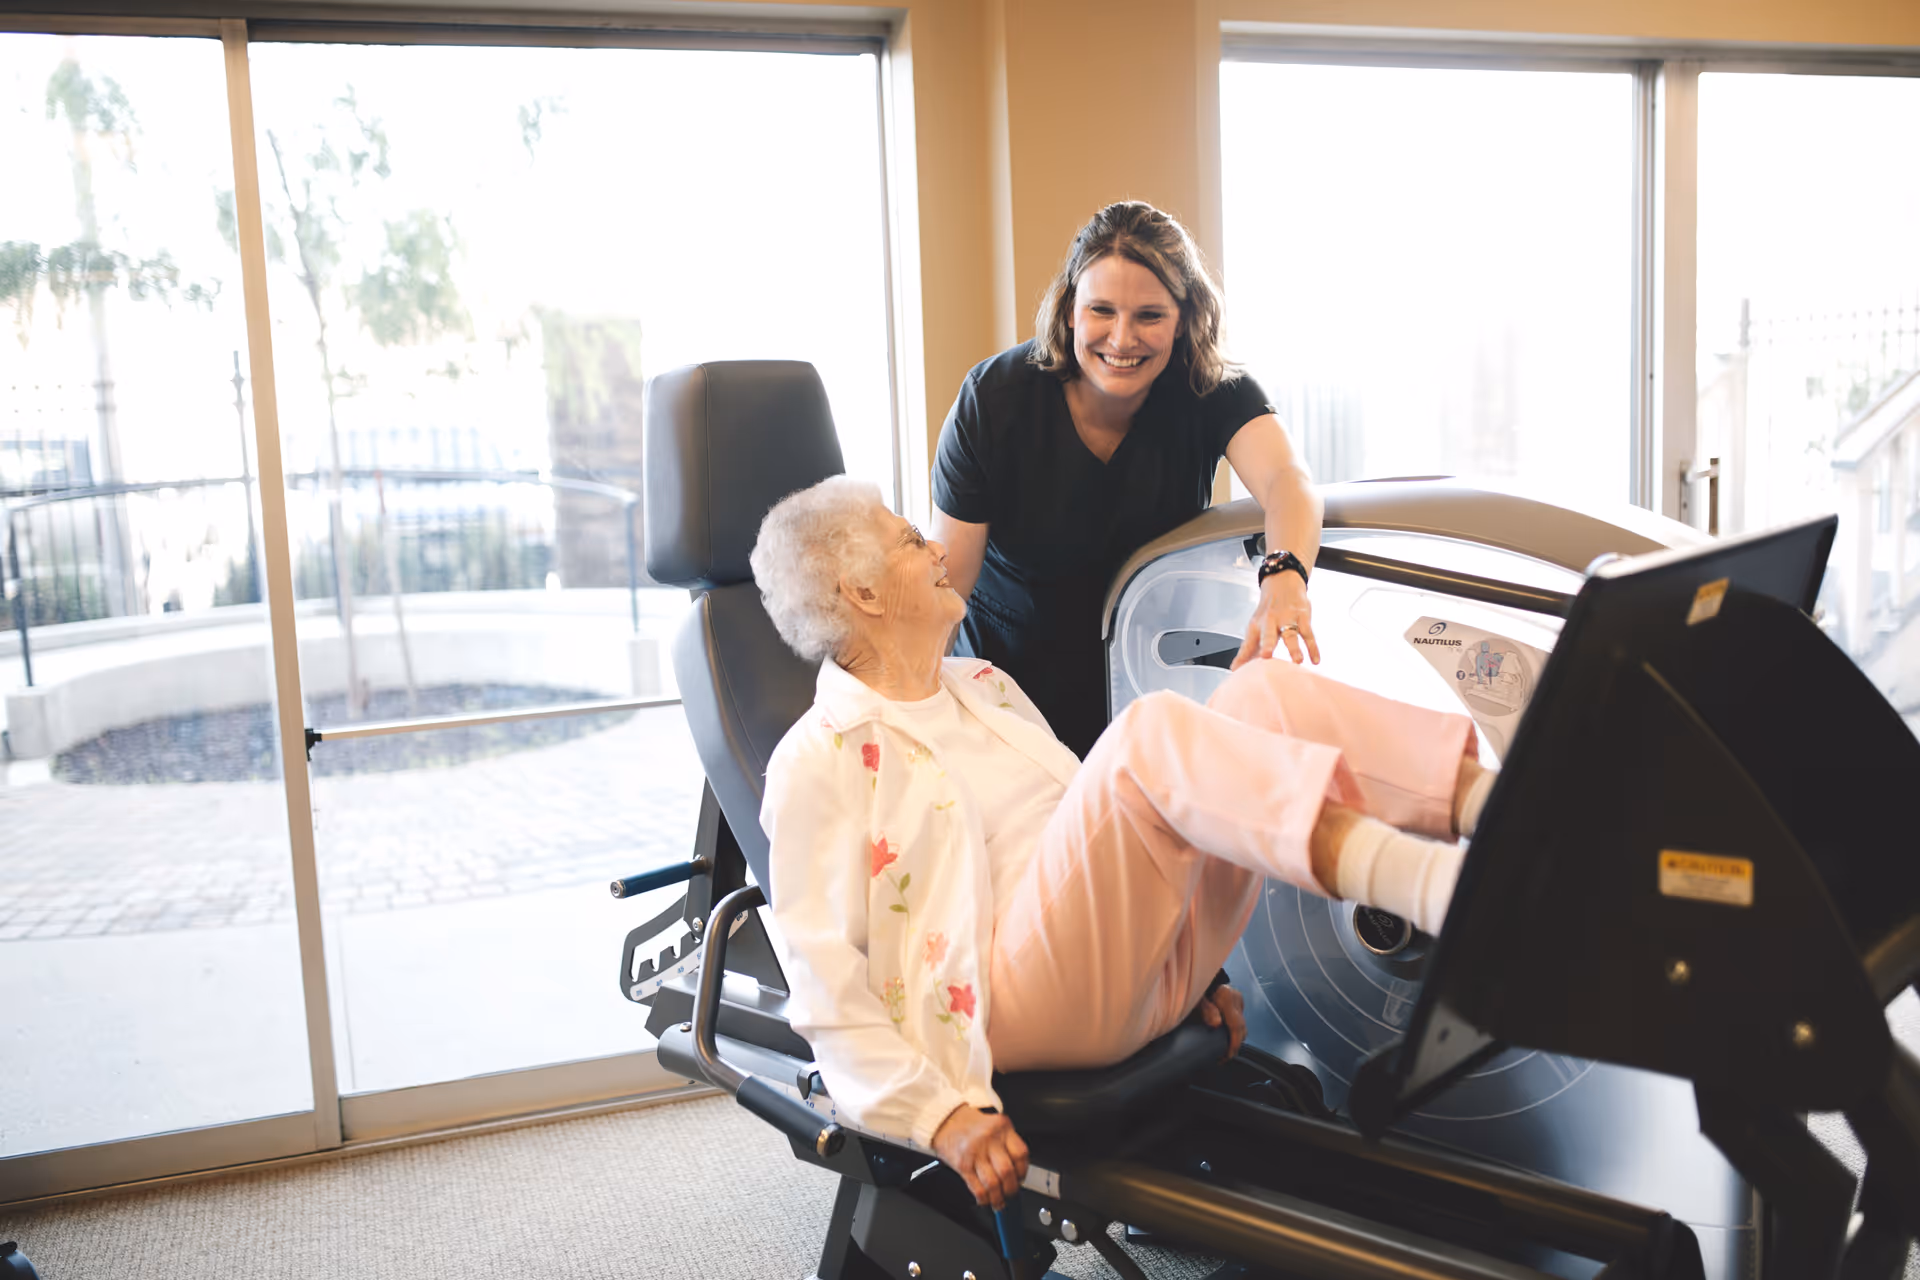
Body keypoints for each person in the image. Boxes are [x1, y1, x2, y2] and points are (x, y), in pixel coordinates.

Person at [751, 477, 1497, 1213]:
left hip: (1125, 966)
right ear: (865, 594)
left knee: (1259, 693)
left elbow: (1087, 841)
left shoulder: (983, 682)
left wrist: (1201, 979)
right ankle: (1435, 886)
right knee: (1148, 737)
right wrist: (934, 1115)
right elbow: (821, 983)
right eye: (912, 540)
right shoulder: (820, 758)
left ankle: (1498, 814)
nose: (939, 549)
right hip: (1014, 1006)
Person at [932, 200, 1324, 758]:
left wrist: (1285, 575)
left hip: (1151, 683)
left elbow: (1289, 480)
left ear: (1185, 318)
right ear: (1070, 311)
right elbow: (945, 590)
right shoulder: (993, 402)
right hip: (1011, 701)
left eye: (1149, 315)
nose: (1122, 339)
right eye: (1102, 311)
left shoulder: (1211, 388)